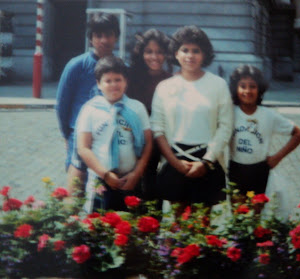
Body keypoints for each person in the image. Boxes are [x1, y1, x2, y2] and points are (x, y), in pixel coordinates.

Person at [150, 25, 234, 217]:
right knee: (178, 224)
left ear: (204, 54)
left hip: (207, 161)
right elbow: (158, 128)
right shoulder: (164, 87)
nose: (190, 55)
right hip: (175, 159)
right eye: (185, 50)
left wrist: (206, 161)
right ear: (176, 54)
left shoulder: (218, 85)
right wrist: (174, 162)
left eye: (196, 50)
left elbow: (225, 126)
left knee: (202, 224)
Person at [76, 56, 152, 213]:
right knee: (97, 228)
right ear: (98, 84)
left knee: (130, 230)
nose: (113, 85)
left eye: (118, 80)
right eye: (107, 81)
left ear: (126, 82)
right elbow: (83, 147)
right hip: (100, 179)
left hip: (130, 179)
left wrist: (136, 174)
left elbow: (148, 144)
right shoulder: (90, 109)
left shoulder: (137, 108)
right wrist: (105, 174)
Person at [55, 12, 120, 194]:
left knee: (106, 190)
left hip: (108, 136)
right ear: (91, 39)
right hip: (80, 135)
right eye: (98, 35)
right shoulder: (77, 65)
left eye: (108, 35)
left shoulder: (121, 67)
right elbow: (62, 105)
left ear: (116, 37)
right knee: (76, 190)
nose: (104, 40)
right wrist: (67, 135)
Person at [228, 65, 300, 198]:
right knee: (238, 212)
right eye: (243, 86)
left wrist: (278, 157)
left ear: (260, 89)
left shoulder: (268, 115)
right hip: (235, 168)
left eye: (252, 86)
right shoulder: (230, 113)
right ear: (236, 89)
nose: (247, 91)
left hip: (259, 170)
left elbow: (299, 134)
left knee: (257, 211)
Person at [127, 28, 172, 204]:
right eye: (149, 52)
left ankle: (152, 226)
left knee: (153, 188)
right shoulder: (131, 77)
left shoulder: (170, 80)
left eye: (159, 52)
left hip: (157, 141)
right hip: (133, 141)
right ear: (141, 53)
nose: (154, 57)